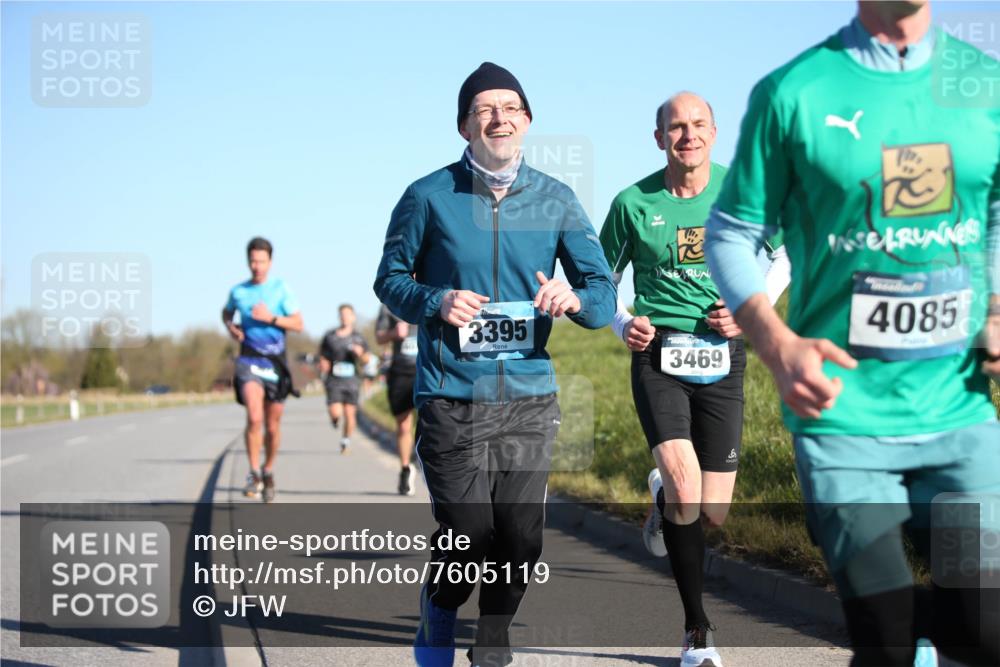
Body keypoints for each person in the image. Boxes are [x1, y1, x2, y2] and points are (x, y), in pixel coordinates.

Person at [704, 2, 1000, 665]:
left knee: (982, 630)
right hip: (844, 421)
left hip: (958, 413)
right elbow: (731, 232)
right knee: (885, 641)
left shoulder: (987, 85)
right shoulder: (795, 93)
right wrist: (775, 341)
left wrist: (997, 302)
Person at [374, 62, 615, 667]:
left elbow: (602, 290)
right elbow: (389, 280)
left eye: (510, 107)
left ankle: (492, 642)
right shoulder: (427, 196)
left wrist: (576, 299)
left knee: (521, 537)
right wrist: (436, 300)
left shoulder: (556, 198)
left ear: (528, 121)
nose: (498, 117)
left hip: (529, 397)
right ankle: (439, 603)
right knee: (470, 537)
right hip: (452, 394)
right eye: (484, 109)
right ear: (464, 127)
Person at [599, 92, 787, 667]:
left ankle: (661, 497)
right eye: (676, 127)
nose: (688, 135)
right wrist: (623, 323)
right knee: (686, 486)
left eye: (698, 125)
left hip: (723, 356)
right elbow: (597, 278)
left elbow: (787, 253)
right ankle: (697, 632)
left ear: (714, 132)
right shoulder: (632, 202)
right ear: (659, 137)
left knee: (713, 511)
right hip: (659, 355)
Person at [222, 237, 303, 503]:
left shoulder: (281, 289)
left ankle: (268, 469)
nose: (257, 266)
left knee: (272, 424)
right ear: (248, 261)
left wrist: (271, 318)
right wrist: (231, 327)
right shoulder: (238, 291)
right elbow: (226, 312)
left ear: (270, 261)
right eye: (253, 261)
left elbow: (298, 324)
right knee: (255, 417)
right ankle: (254, 472)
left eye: (261, 261)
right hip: (249, 361)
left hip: (276, 363)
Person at [375, 303, 419, 495]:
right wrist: (394, 333)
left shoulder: (436, 289)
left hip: (429, 369)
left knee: (434, 422)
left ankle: (429, 464)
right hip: (401, 371)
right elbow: (379, 337)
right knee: (403, 425)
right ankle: (405, 469)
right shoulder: (389, 304)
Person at [318, 304, 371, 454]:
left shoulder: (358, 338)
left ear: (353, 317)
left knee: (350, 413)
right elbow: (322, 355)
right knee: (336, 413)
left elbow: (367, 360)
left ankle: (346, 441)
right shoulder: (330, 336)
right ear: (339, 317)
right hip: (334, 380)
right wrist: (323, 363)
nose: (345, 317)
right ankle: (334, 420)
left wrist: (360, 353)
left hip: (352, 380)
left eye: (348, 314)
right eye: (342, 314)